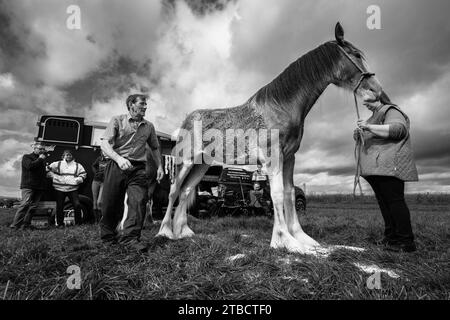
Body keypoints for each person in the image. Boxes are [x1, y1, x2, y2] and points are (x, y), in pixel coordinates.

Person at [355, 92, 419, 253]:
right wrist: (359, 134)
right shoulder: (373, 116)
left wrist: (368, 127)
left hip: (388, 165)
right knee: (385, 203)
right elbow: (370, 136)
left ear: (379, 96)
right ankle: (391, 237)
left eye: (369, 100)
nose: (366, 104)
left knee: (394, 201)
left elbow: (399, 130)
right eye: (364, 103)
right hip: (375, 168)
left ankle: (406, 241)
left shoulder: (391, 111)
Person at [100, 94, 164, 252]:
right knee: (110, 203)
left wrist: (160, 167)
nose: (145, 107)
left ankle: (130, 239)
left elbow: (155, 148)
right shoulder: (117, 120)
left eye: (146, 104)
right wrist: (119, 159)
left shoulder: (149, 126)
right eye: (142, 104)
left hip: (138, 169)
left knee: (139, 201)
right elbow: (104, 143)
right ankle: (109, 238)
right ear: (131, 105)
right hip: (116, 164)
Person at [10, 142, 48, 230]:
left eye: (43, 149)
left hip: (39, 187)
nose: (42, 150)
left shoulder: (42, 160)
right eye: (40, 149)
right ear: (34, 149)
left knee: (33, 207)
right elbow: (30, 166)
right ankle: (15, 226)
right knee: (25, 204)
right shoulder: (27, 157)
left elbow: (39, 172)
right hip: (29, 185)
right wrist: (40, 159)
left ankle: (25, 225)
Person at [47, 150, 87, 227]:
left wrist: (76, 181)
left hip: (72, 189)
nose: (68, 156)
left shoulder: (78, 165)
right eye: (66, 155)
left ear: (72, 156)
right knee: (60, 206)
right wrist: (53, 176)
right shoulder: (57, 164)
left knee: (77, 205)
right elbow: (47, 169)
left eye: (70, 155)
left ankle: (78, 223)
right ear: (63, 156)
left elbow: (83, 174)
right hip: (59, 189)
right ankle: (60, 224)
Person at [91, 152, 108, 222]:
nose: (104, 153)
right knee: (94, 202)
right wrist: (96, 173)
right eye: (103, 152)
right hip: (96, 181)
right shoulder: (99, 159)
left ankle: (101, 220)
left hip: (104, 182)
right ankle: (96, 221)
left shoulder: (110, 160)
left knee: (99, 202)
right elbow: (93, 166)